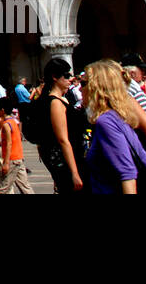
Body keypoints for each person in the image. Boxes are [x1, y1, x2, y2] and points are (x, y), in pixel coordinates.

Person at [82, 60, 146, 194]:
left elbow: (127, 172)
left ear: (96, 87)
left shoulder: (107, 120)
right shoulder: (117, 114)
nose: (80, 88)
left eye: (83, 83)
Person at [31, 57, 86, 194]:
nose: (70, 79)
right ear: (55, 77)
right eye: (66, 76)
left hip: (76, 155)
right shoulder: (55, 103)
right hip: (69, 163)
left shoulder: (63, 99)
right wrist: (74, 173)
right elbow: (63, 140)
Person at [0, 97, 32, 194]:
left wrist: (6, 163)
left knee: (2, 188)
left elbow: (9, 143)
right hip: (18, 158)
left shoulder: (6, 125)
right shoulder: (13, 122)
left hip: (12, 160)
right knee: (25, 187)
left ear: (2, 110)